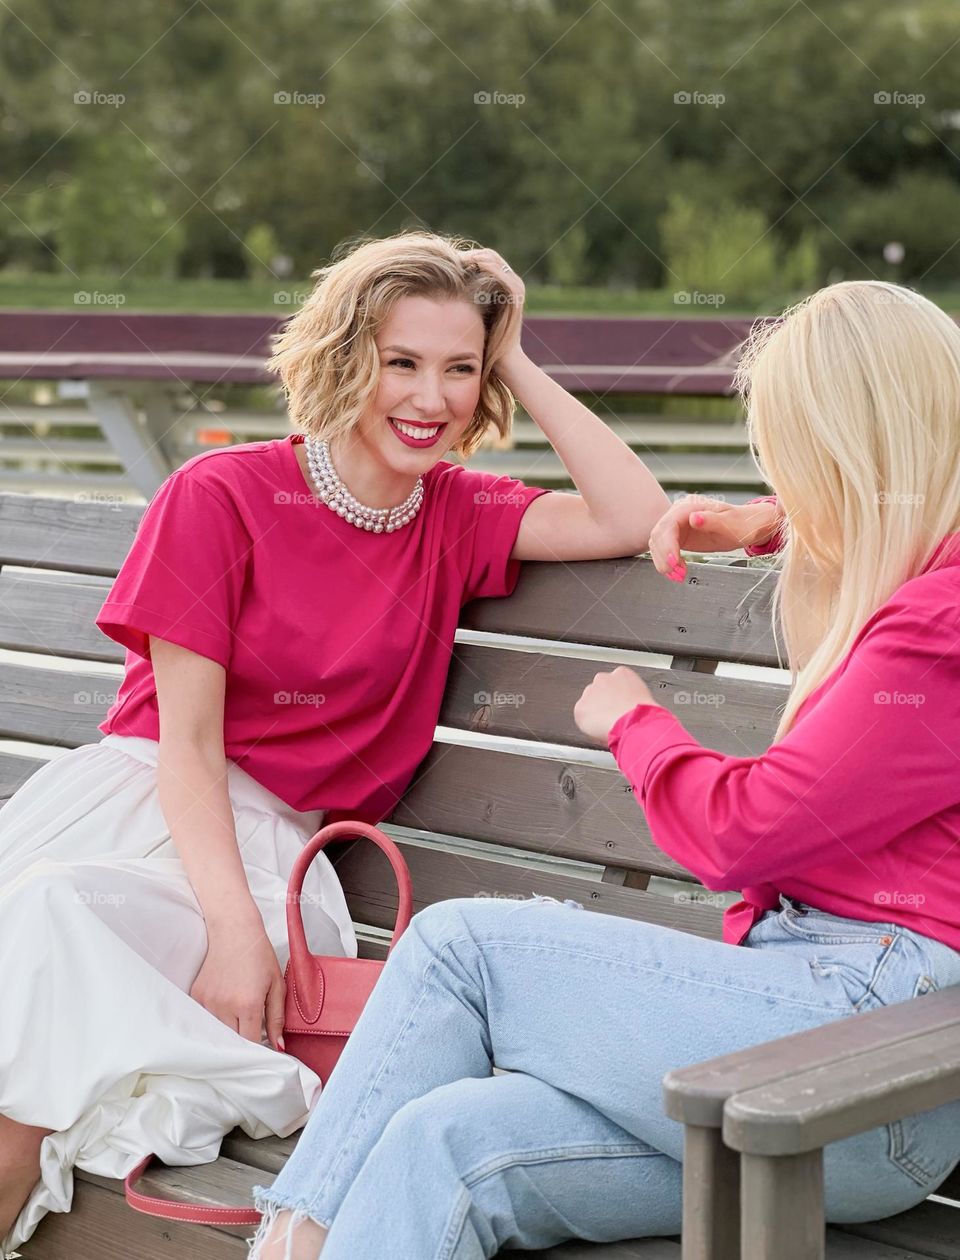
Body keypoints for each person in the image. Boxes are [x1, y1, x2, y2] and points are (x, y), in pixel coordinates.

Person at [0, 231, 700, 1256]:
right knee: (44, 957)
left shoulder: (455, 515)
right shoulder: (219, 496)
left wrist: (511, 351)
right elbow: (187, 750)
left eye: (458, 370)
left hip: (282, 860)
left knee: (36, 1012)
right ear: (342, 359)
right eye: (401, 361)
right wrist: (231, 933)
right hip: (145, 818)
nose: (431, 398)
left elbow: (633, 515)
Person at [247, 280, 960, 1260]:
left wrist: (637, 723)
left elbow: (741, 832)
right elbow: (890, 518)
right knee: (442, 1141)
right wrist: (763, 523)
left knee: (461, 952)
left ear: (855, 452)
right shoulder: (929, 578)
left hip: (860, 1071)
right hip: (821, 1056)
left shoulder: (935, 634)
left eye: (797, 461)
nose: (788, 481)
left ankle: (294, 1235)